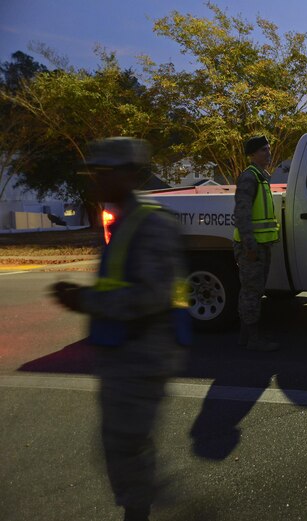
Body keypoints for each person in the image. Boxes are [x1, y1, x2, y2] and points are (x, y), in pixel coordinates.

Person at [50, 137, 188, 521]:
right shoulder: (126, 220)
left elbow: (152, 295)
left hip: (144, 353)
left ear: (128, 176)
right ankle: (141, 504)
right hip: (124, 353)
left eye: (104, 172)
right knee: (122, 445)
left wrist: (85, 300)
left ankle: (150, 509)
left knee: (125, 445)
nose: (96, 179)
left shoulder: (152, 223)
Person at [234, 135, 281, 351]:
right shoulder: (249, 177)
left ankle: (246, 336)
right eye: (263, 150)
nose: (268, 153)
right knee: (251, 292)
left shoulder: (261, 177)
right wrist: (250, 247)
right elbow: (242, 215)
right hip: (252, 248)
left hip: (261, 245)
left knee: (254, 290)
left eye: (268, 149)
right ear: (252, 154)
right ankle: (252, 339)